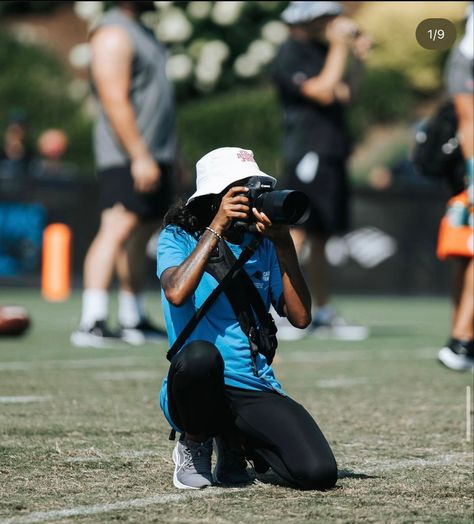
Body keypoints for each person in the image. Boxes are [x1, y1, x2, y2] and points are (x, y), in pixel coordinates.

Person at [157, 147, 338, 491]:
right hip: (197, 382)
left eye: (255, 189)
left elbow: (300, 318)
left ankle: (235, 440)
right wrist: (217, 227)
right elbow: (176, 292)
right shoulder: (178, 237)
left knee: (318, 473)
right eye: (239, 189)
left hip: (252, 385)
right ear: (214, 197)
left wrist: (284, 244)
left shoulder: (264, 244)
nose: (252, 198)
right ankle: (194, 441)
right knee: (199, 357)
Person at [71, 1, 176, 347]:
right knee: (117, 224)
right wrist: (139, 155)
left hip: (154, 152)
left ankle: (132, 318)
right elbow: (114, 98)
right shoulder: (113, 33)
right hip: (128, 154)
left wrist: (170, 155)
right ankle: (93, 320)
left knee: (141, 229)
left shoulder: (143, 31)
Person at [273, 1, 371, 340]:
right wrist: (342, 47)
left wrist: (356, 59)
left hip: (331, 153)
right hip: (306, 153)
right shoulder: (290, 53)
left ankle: (323, 311)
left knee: (322, 235)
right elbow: (323, 91)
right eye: (329, 18)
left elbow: (346, 94)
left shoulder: (322, 51)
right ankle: (282, 310)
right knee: (297, 232)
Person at [437, 4, 474, 372]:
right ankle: (461, 339)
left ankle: (462, 339)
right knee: (467, 251)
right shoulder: (464, 57)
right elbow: (467, 122)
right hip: (469, 168)